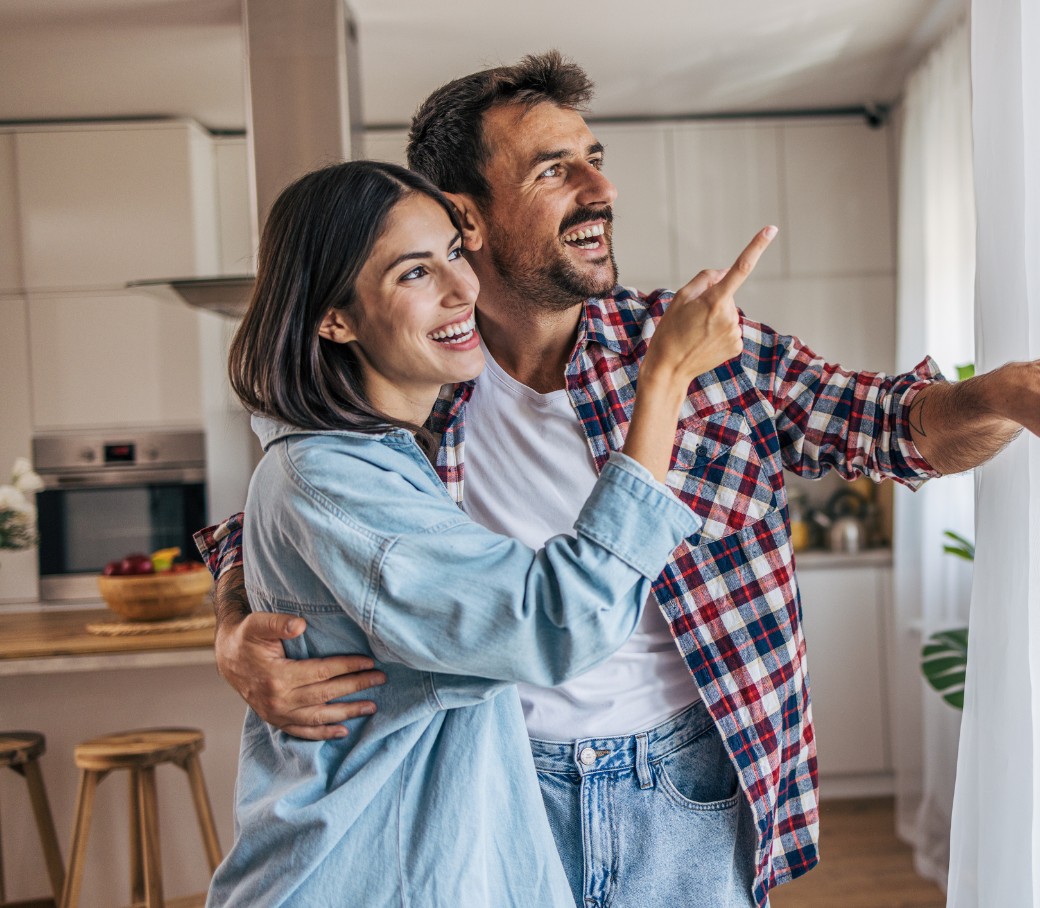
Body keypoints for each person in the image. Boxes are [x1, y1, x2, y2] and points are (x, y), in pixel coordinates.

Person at [200, 53, 1040, 906]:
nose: (599, 190)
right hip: (498, 791)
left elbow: (894, 425)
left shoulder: (695, 344)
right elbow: (288, 517)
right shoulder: (415, 370)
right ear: (466, 216)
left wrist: (1004, 394)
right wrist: (237, 630)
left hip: (688, 782)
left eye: (594, 159)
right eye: (553, 170)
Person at [203, 156, 778, 906]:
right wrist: (665, 380)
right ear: (333, 318)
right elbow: (556, 622)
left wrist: (231, 618)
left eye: (453, 252)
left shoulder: (376, 449)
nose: (462, 287)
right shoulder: (332, 475)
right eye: (415, 272)